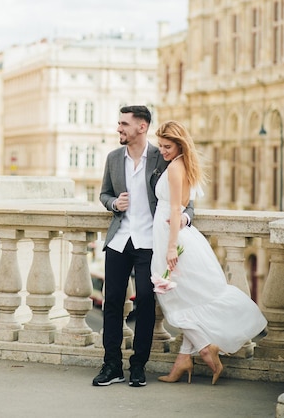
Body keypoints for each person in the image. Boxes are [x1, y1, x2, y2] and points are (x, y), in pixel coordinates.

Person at [151, 120, 267, 385]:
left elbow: (175, 210)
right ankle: (185, 359)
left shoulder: (175, 168)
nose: (163, 150)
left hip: (172, 238)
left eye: (167, 146)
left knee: (175, 300)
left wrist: (170, 248)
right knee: (184, 298)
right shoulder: (181, 165)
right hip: (172, 235)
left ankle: (204, 346)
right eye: (160, 145)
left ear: (180, 144)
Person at [92, 106, 194, 387]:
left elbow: (187, 199)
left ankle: (138, 365)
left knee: (147, 303)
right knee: (112, 302)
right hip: (119, 240)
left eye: (124, 124)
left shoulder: (161, 157)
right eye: (118, 123)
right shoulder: (113, 158)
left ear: (142, 126)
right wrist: (114, 203)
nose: (118, 128)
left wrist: (184, 218)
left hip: (150, 243)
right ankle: (111, 365)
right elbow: (104, 193)